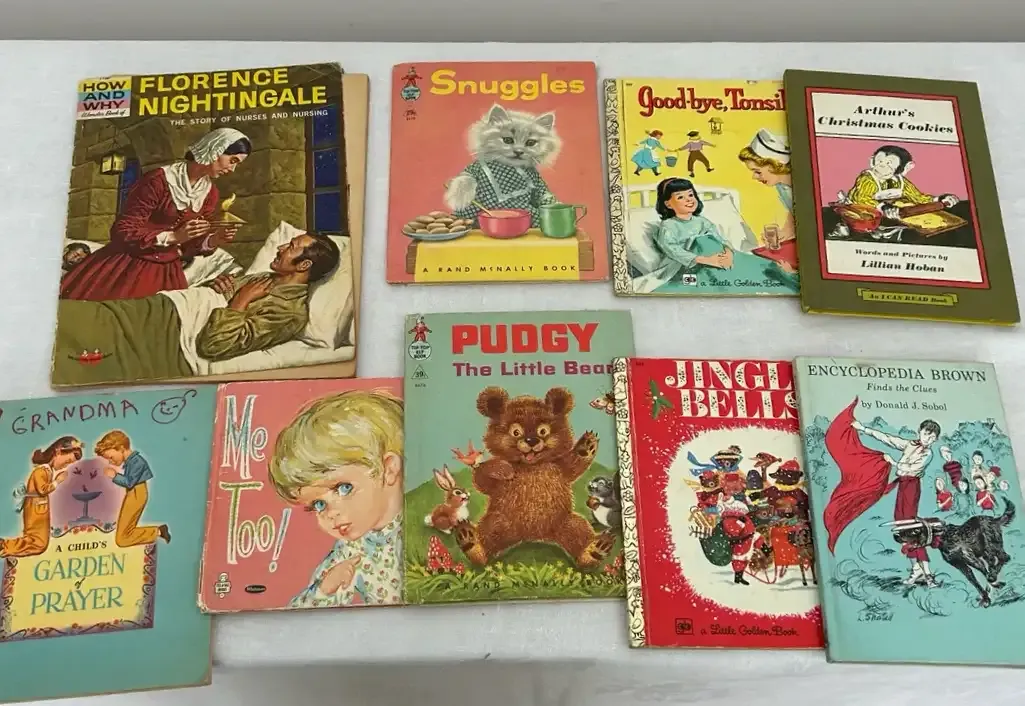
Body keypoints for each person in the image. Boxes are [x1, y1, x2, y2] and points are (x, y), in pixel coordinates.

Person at [52, 232, 341, 385]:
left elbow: (215, 344)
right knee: (66, 319)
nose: (280, 248)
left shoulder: (289, 312)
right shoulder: (263, 278)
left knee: (73, 345)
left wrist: (240, 301)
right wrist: (219, 285)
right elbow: (216, 296)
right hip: (162, 309)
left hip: (166, 339)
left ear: (304, 265)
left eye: (291, 247)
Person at [59, 128, 251, 301]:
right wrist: (173, 236)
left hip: (167, 271)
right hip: (127, 266)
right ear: (215, 149)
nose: (232, 169)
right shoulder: (157, 180)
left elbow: (189, 245)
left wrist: (213, 239)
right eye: (232, 160)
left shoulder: (210, 193)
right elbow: (122, 231)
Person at [269, 390, 404, 608]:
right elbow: (299, 613)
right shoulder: (350, 551)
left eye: (343, 488)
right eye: (319, 504)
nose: (331, 514)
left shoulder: (425, 520)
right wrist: (325, 590)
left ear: (388, 469)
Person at [826, 407, 941, 586]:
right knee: (901, 526)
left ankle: (926, 572)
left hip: (911, 486)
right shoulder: (911, 444)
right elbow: (888, 439)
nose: (928, 439)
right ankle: (916, 569)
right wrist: (863, 429)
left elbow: (910, 469)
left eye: (932, 438)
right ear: (919, 432)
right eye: (927, 434)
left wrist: (892, 461)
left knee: (909, 527)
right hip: (902, 485)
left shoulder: (928, 453)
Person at [633, 178, 798, 294]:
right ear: (668, 204)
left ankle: (787, 277)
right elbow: (673, 250)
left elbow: (720, 239)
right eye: (680, 197)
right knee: (705, 256)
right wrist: (706, 260)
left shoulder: (701, 221)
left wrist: (728, 252)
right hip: (692, 265)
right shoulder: (669, 226)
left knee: (765, 267)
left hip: (719, 258)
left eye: (690, 195)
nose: (689, 200)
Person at [0, 437, 80, 558]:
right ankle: (4, 545)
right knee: (37, 542)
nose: (65, 466)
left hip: (40, 507)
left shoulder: (48, 470)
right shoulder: (41, 470)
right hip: (36, 507)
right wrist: (58, 481)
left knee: (39, 543)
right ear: (58, 452)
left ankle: (5, 547)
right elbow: (43, 490)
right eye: (67, 461)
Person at [97, 430, 170, 547]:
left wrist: (114, 476)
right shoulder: (132, 461)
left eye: (111, 457)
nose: (110, 462)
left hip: (137, 493)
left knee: (122, 539)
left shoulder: (137, 462)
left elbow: (129, 482)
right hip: (133, 493)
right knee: (123, 535)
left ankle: (158, 531)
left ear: (121, 448)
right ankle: (159, 531)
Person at [843, 145, 959, 219]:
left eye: (889, 163)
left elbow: (917, 197)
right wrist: (883, 207)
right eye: (879, 161)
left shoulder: (901, 182)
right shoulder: (867, 179)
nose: (882, 166)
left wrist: (939, 199)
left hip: (888, 215)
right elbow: (862, 198)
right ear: (872, 161)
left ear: (904, 168)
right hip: (859, 214)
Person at [738, 129, 796, 244]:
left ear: (775, 166)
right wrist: (784, 232)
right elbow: (794, 211)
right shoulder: (781, 187)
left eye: (757, 171)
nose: (754, 177)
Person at [718, 472, 766, 586]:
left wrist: (752, 509)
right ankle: (738, 577)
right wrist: (741, 522)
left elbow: (749, 505)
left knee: (758, 537)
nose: (733, 491)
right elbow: (734, 530)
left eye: (735, 487)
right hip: (741, 540)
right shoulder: (728, 517)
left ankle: (766, 550)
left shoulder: (741, 500)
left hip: (749, 534)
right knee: (740, 558)